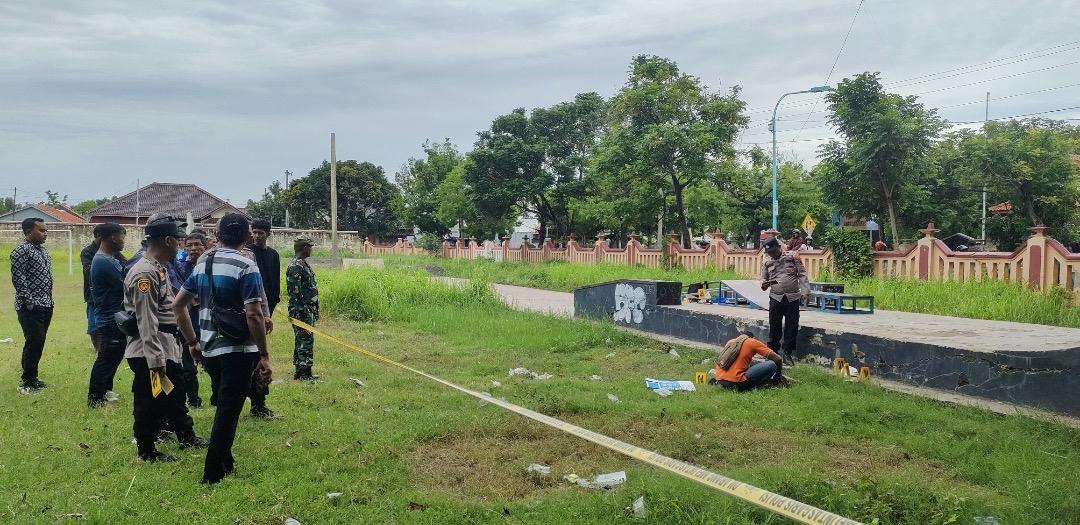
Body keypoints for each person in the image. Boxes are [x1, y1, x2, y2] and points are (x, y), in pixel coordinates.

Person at [174, 213, 272, 484]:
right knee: (228, 412)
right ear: (247, 236)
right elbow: (253, 314)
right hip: (238, 350)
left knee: (226, 406)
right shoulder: (246, 265)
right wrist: (264, 354)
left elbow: (178, 305)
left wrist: (192, 342)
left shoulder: (204, 261)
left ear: (217, 235)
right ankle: (213, 473)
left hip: (209, 349)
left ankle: (226, 462)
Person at [123, 215, 207, 462]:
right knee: (150, 401)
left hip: (166, 345)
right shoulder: (144, 274)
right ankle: (147, 450)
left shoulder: (159, 269)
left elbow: (171, 308)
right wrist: (155, 359)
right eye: (179, 241)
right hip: (150, 350)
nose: (181, 245)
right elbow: (146, 321)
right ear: (168, 240)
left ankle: (186, 435)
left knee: (175, 394)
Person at [11, 218, 54, 394]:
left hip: (46, 303)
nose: (45, 233)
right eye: (41, 230)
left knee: (39, 341)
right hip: (30, 306)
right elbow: (18, 279)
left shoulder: (43, 251)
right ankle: (27, 381)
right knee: (34, 342)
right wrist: (30, 303)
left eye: (45, 230)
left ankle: (33, 378)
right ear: (29, 231)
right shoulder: (21, 251)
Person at [87, 223, 128, 407]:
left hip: (112, 316)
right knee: (106, 358)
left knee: (112, 357)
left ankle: (104, 391)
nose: (123, 241)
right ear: (113, 237)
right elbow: (128, 283)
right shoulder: (104, 261)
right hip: (110, 318)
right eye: (122, 236)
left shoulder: (108, 258)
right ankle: (95, 398)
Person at [761, 236, 810, 365]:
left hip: (792, 297)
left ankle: (788, 353)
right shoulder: (767, 262)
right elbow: (762, 278)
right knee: (774, 325)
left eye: (773, 251)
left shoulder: (793, 256)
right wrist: (764, 284)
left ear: (778, 246)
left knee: (791, 326)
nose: (771, 254)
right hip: (775, 297)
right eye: (769, 252)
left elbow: (802, 274)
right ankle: (773, 352)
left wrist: (805, 291)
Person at [178, 231, 208, 409]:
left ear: (205, 246)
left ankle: (218, 396)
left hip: (209, 321)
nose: (193, 248)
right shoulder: (180, 268)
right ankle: (193, 399)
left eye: (197, 244)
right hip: (188, 321)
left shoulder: (212, 266)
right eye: (189, 245)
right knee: (188, 365)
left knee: (213, 362)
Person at [287, 237, 319, 380]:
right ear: (305, 248)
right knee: (304, 340)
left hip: (308, 309)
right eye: (310, 247)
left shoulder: (303, 264)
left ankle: (305, 370)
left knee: (306, 339)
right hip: (301, 310)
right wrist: (303, 310)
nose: (311, 249)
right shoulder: (295, 266)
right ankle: (303, 372)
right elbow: (295, 291)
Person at [711, 331, 788, 391]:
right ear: (753, 338)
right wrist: (778, 375)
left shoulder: (731, 342)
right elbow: (778, 359)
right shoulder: (752, 342)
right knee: (771, 364)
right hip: (737, 383)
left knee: (751, 366)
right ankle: (773, 381)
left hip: (720, 380)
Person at [247, 219, 281, 314]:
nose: (257, 236)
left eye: (261, 233)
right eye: (255, 232)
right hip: (253, 298)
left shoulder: (273, 254)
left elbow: (276, 278)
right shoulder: (248, 252)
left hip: (270, 299)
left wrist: (275, 298)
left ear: (268, 234)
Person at [81, 226, 103, 353]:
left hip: (109, 294)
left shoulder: (113, 250)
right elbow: (88, 270)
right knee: (93, 325)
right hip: (92, 294)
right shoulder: (87, 252)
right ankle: (98, 350)